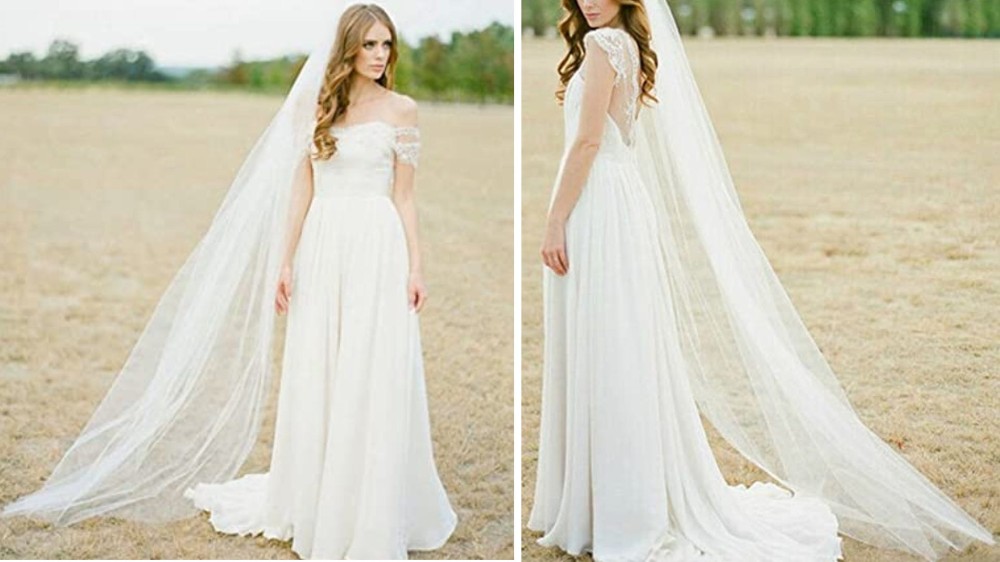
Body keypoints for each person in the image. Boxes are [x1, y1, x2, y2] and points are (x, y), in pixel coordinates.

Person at [530, 1, 995, 561]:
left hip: (600, 204)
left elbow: (586, 144)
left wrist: (555, 216)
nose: (590, 0)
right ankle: (608, 498)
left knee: (613, 348)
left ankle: (617, 506)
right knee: (618, 346)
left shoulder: (607, 47)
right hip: (615, 200)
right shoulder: (621, 44)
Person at [3, 3, 456, 560]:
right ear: (346, 49)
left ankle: (369, 497)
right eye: (368, 45)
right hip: (323, 242)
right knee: (321, 364)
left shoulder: (402, 110)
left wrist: (416, 265)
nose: (380, 55)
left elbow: (405, 196)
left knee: (371, 365)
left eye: (387, 44)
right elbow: (301, 191)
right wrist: (284, 261)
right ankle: (318, 492)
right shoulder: (318, 107)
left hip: (377, 246)